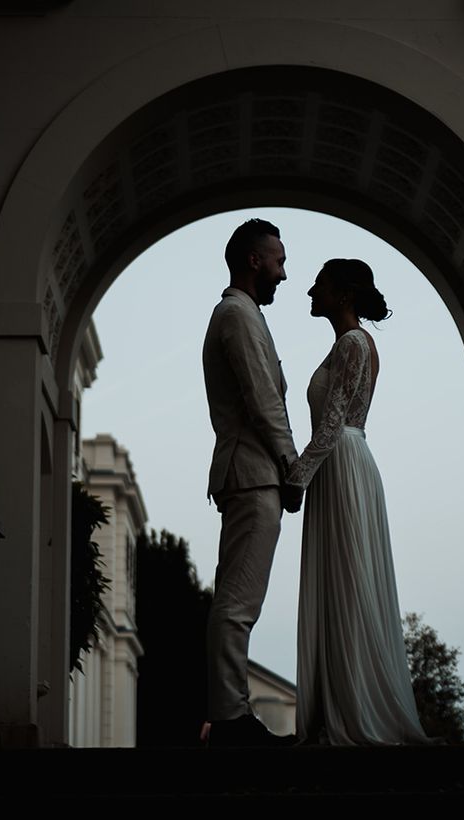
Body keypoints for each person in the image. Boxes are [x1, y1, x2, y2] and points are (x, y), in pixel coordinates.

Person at [286, 259, 430, 746]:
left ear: (343, 295)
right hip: (342, 461)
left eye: (319, 285)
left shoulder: (353, 343)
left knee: (346, 581)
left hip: (341, 460)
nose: (309, 290)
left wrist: (298, 476)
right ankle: (340, 706)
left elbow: (332, 421)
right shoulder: (351, 343)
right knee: (342, 581)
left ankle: (354, 711)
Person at [202, 219, 303, 747]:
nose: (285, 274)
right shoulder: (237, 315)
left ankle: (230, 714)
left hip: (252, 472)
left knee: (238, 600)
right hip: (254, 473)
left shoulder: (244, 315)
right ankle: (229, 719)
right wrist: (292, 466)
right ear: (254, 261)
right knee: (238, 603)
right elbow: (264, 400)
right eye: (279, 261)